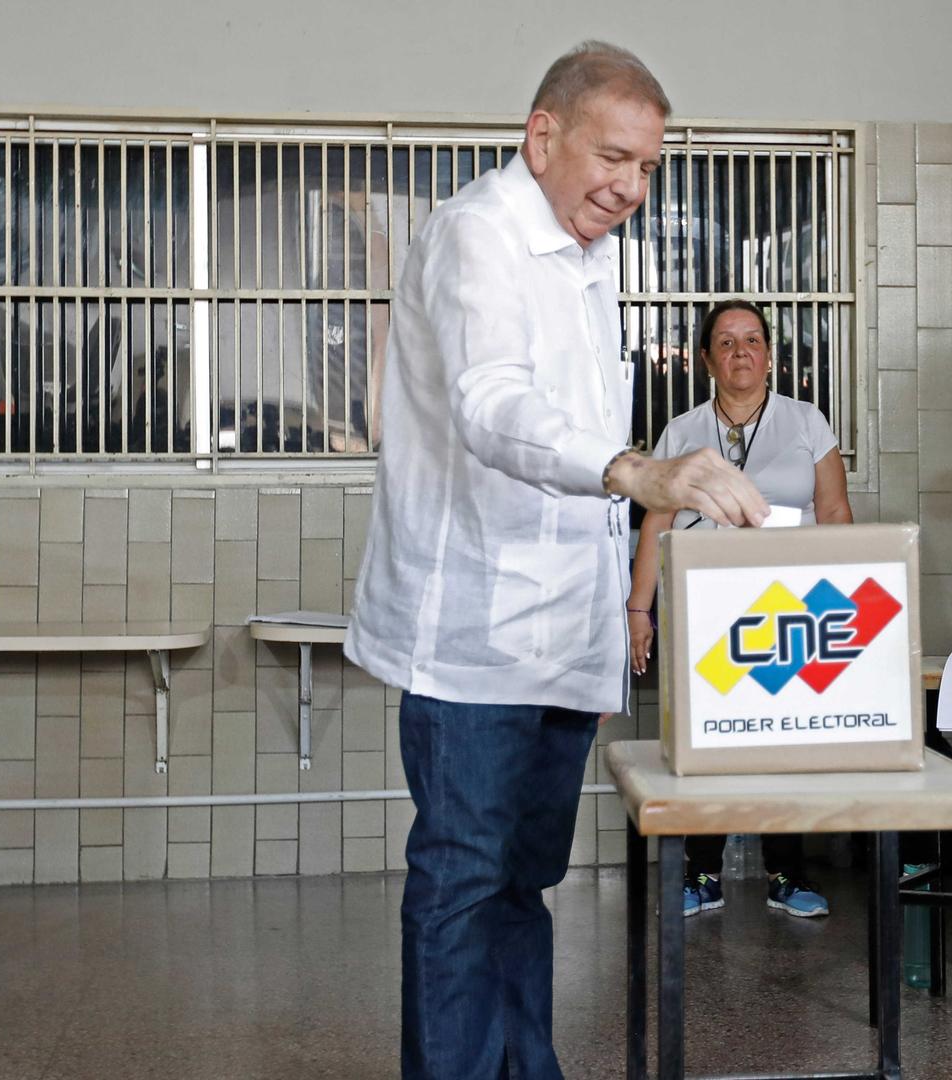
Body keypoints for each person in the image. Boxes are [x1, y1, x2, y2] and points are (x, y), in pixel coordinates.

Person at [345, 42, 770, 1079]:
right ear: (542, 136)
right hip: (477, 638)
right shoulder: (476, 237)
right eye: (613, 157)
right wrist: (642, 473)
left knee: (524, 880)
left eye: (649, 168)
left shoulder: (589, 253)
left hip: (563, 633)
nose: (630, 187)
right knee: (462, 880)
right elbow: (495, 410)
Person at [627, 298, 852, 918]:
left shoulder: (806, 420)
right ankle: (701, 874)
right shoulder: (682, 429)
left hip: (792, 606)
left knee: (785, 737)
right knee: (708, 740)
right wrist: (637, 610)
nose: (740, 352)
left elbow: (834, 512)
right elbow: (656, 524)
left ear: (770, 355)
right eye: (725, 342)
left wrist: (841, 598)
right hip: (706, 607)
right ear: (706, 359)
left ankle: (788, 872)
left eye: (751, 340)